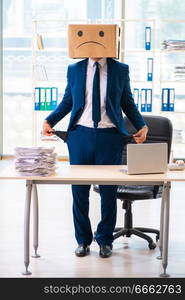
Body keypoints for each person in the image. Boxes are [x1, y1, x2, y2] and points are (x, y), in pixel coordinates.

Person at [42, 56, 148, 258]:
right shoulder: (75, 69)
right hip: (80, 136)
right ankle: (82, 240)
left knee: (109, 192)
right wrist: (49, 119)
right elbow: (68, 101)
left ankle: (105, 240)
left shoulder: (120, 69)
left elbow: (127, 102)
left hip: (111, 137)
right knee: (79, 193)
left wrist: (141, 124)